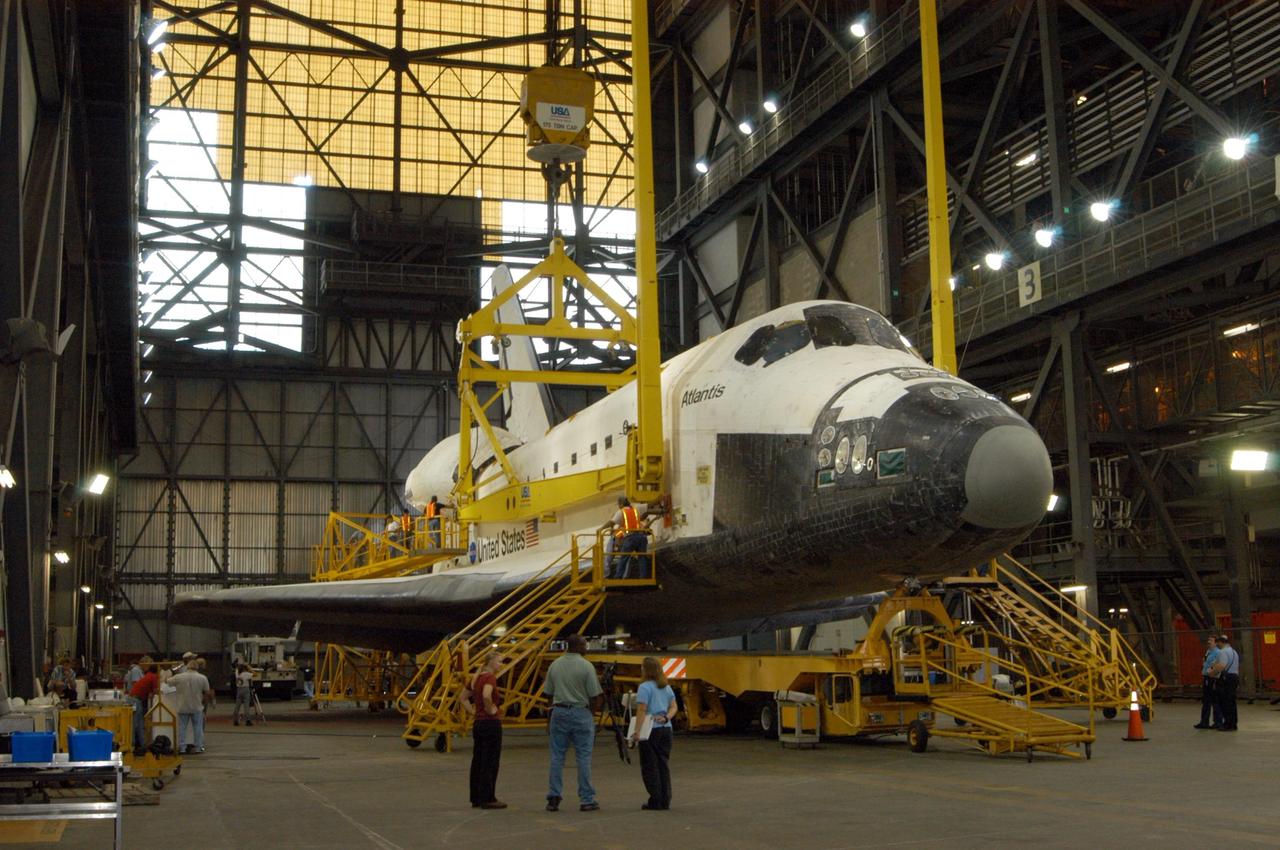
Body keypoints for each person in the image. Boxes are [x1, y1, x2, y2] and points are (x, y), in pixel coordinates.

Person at [542, 635, 603, 812]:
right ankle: (586, 799)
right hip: (580, 712)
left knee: (557, 756)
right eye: (585, 644)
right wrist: (590, 715)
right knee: (583, 757)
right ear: (577, 646)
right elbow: (594, 695)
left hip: (559, 711)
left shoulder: (555, 664)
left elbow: (549, 693)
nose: (587, 647)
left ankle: (554, 797)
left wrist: (549, 717)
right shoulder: (586, 666)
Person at [631, 656, 678, 811]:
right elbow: (674, 707)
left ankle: (655, 799)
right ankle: (666, 799)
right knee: (663, 764)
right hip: (666, 729)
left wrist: (636, 732)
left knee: (650, 766)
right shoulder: (665, 686)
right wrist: (666, 718)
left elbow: (642, 710)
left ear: (646, 669)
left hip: (650, 729)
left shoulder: (645, 687)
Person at [461, 653, 506, 810]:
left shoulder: (475, 678)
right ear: (492, 662)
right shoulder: (489, 678)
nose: (501, 665)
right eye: (500, 662)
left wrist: (473, 712)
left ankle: (476, 797)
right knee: (490, 761)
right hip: (490, 724)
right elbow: (487, 695)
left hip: (478, 723)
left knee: (478, 761)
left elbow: (463, 698)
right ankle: (488, 797)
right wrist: (491, 710)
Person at [600, 497, 649, 579]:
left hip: (630, 538)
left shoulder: (621, 512)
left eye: (618, 504)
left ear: (621, 504)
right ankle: (643, 576)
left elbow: (612, 522)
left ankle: (618, 577)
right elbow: (648, 507)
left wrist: (601, 529)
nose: (618, 506)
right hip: (641, 537)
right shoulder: (636, 509)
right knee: (642, 557)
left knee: (623, 558)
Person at [169, 664, 213, 754]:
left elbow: (167, 682)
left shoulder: (179, 677)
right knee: (198, 727)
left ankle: (182, 747)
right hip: (197, 706)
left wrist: (175, 671)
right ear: (197, 668)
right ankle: (198, 747)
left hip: (183, 706)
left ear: (187, 667)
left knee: (182, 727)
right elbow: (207, 692)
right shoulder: (202, 677)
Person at [127, 658, 159, 753]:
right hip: (136, 700)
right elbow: (156, 690)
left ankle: (142, 744)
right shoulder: (153, 676)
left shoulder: (147, 675)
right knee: (136, 723)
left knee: (139, 723)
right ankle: (132, 745)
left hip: (135, 699)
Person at [1211, 633, 1240, 731]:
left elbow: (1222, 665)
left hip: (1226, 678)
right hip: (1234, 677)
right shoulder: (1234, 651)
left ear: (1221, 642)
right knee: (1232, 702)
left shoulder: (1223, 652)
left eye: (1218, 643)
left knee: (1225, 702)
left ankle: (1227, 724)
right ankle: (1233, 723)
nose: (1217, 645)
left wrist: (1212, 672)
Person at [1194, 634, 1222, 729]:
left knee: (1215, 701)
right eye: (1208, 640)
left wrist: (1212, 673)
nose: (1209, 642)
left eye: (1211, 640)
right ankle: (1204, 722)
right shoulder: (1208, 652)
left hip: (1213, 678)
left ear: (1216, 643)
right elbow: (1206, 662)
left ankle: (1218, 722)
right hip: (1206, 677)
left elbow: (1216, 665)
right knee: (1206, 701)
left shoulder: (1218, 653)